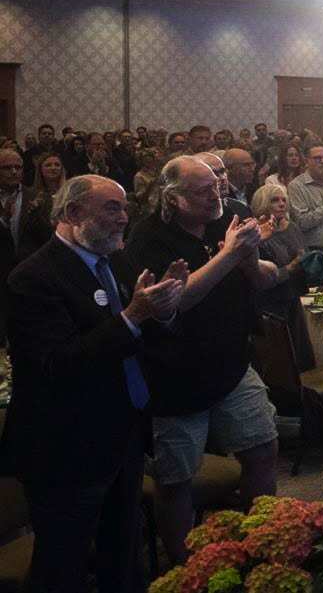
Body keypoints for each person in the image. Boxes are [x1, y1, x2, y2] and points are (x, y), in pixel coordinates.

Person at [1, 175, 185, 593]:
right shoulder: (33, 277)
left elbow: (138, 339)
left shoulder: (115, 261)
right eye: (111, 208)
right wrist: (134, 316)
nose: (124, 218)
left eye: (124, 208)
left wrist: (165, 311)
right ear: (72, 213)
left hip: (123, 435)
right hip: (66, 447)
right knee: (63, 566)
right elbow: (58, 363)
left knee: (122, 553)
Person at [125, 156, 280, 562]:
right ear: (173, 199)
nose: (217, 196)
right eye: (203, 191)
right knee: (177, 479)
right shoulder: (148, 237)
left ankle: (261, 546)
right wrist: (229, 255)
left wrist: (249, 261)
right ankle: (183, 566)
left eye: (217, 185)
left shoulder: (231, 214)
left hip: (231, 363)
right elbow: (175, 303)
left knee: (263, 449)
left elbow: (265, 277)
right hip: (174, 376)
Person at [252, 183, 315, 370]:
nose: (281, 204)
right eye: (274, 200)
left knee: (302, 358)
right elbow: (260, 279)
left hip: (294, 298)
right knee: (281, 364)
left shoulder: (292, 228)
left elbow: (304, 255)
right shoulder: (256, 234)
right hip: (270, 306)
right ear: (263, 204)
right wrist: (291, 266)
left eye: (283, 200)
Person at [0, 149, 51, 346]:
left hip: (28, 274)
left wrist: (38, 217)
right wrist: (3, 220)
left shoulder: (36, 197)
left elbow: (48, 238)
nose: (13, 172)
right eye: (7, 168)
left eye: (18, 167)